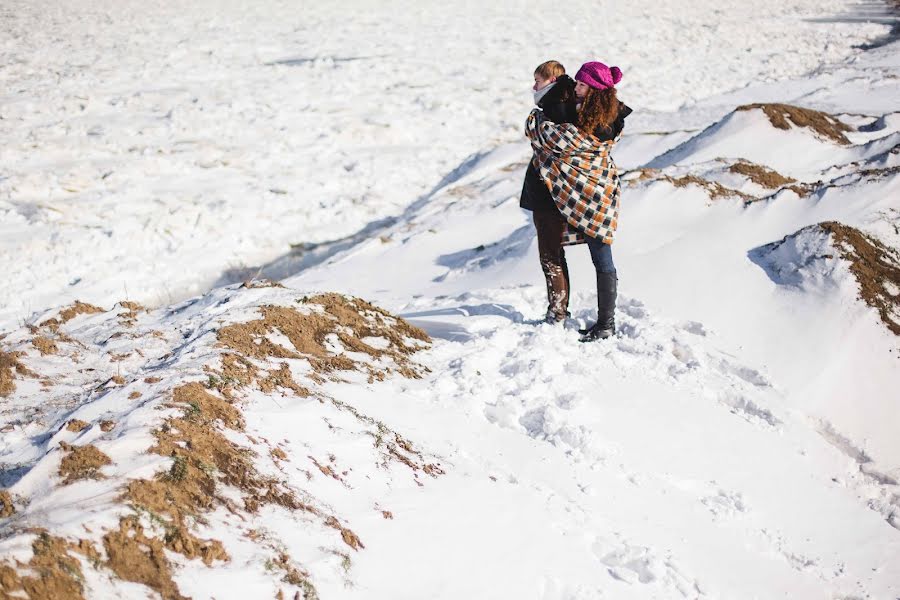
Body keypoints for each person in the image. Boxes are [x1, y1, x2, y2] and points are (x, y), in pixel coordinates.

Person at [525, 61, 632, 342]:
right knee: (600, 255)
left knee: (601, 255)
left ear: (596, 91)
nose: (576, 87)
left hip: (596, 191)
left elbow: (565, 141)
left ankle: (606, 323)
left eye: (582, 85)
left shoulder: (602, 121)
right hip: (597, 189)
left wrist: (538, 125)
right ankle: (604, 323)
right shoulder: (584, 111)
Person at [519, 61, 578, 324]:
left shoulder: (556, 108)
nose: (534, 86)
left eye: (538, 80)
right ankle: (558, 309)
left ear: (552, 81)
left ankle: (557, 313)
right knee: (554, 253)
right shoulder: (559, 104)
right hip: (552, 192)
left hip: (549, 193)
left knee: (550, 255)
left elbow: (555, 145)